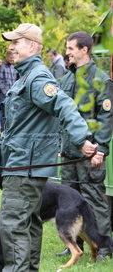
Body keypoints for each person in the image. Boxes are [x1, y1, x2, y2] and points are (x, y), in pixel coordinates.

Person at [0, 23, 98, 272]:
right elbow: (14, 128)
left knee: (13, 225)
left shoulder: (37, 77)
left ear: (32, 45)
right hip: (20, 164)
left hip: (25, 168)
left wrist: (81, 139)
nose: (11, 47)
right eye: (11, 42)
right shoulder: (24, 77)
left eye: (16, 42)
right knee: (28, 224)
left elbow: (63, 105)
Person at [56, 31, 113, 261]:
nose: (67, 52)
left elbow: (106, 118)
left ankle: (104, 247)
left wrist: (101, 149)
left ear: (84, 50)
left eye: (70, 48)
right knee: (69, 200)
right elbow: (62, 114)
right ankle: (74, 244)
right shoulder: (67, 78)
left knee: (93, 199)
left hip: (90, 153)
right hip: (69, 153)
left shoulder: (101, 80)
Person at [0, 50, 17, 131]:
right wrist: (5, 92)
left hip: (12, 94)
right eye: (11, 57)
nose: (12, 59)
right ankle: (3, 131)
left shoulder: (13, 68)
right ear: (6, 57)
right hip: (4, 94)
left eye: (13, 58)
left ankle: (9, 131)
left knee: (11, 113)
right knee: (4, 113)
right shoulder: (1, 67)